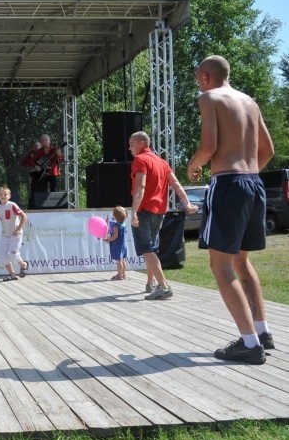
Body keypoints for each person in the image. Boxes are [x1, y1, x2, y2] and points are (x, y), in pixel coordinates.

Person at [188, 55, 275, 364]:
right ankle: (262, 332)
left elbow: (209, 146)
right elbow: (268, 150)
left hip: (228, 185)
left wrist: (194, 165)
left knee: (221, 266)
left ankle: (250, 344)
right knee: (241, 262)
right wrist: (247, 173)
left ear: (205, 77)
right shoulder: (250, 102)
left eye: (199, 79)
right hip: (254, 183)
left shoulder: (209, 97)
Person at [128, 131, 197, 301]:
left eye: (131, 144)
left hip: (144, 210)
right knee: (151, 248)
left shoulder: (140, 160)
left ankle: (164, 287)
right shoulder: (162, 162)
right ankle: (151, 283)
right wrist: (187, 203)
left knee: (146, 249)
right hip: (159, 212)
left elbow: (140, 188)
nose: (129, 148)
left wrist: (134, 211)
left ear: (142, 143)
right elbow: (177, 185)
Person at [0, 186, 29, 281]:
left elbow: (24, 217)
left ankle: (23, 264)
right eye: (1, 194)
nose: (3, 196)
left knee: (13, 254)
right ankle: (12, 274)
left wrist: (18, 229)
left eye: (5, 194)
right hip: (5, 235)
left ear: (9, 196)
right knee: (2, 257)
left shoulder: (12, 205)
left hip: (15, 235)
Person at [22, 135, 65, 201]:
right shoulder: (39, 152)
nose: (45, 141)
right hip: (43, 174)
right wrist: (36, 166)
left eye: (46, 140)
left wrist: (59, 155)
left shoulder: (55, 149)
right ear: (41, 142)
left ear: (49, 141)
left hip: (53, 173)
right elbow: (31, 161)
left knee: (53, 190)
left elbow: (62, 160)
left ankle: (53, 207)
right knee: (42, 191)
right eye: (43, 140)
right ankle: (43, 207)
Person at [103, 206, 128, 281]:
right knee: (123, 260)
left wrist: (109, 240)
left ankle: (119, 275)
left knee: (119, 260)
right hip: (123, 244)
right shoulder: (124, 223)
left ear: (116, 216)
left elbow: (115, 236)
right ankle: (123, 274)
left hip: (117, 244)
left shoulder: (116, 226)